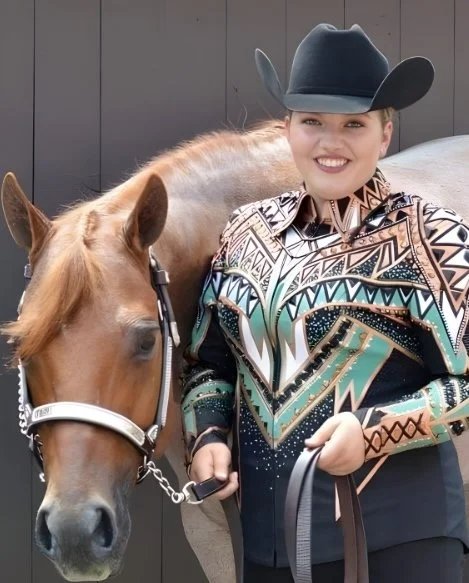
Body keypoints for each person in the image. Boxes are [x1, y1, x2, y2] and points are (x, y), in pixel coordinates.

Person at [181, 23, 469, 582]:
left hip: (401, 545)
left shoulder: (431, 236)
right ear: (288, 128)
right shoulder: (242, 233)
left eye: (353, 124)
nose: (330, 142)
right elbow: (207, 364)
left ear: (385, 135)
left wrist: (373, 431)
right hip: (268, 550)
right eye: (313, 121)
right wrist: (208, 435)